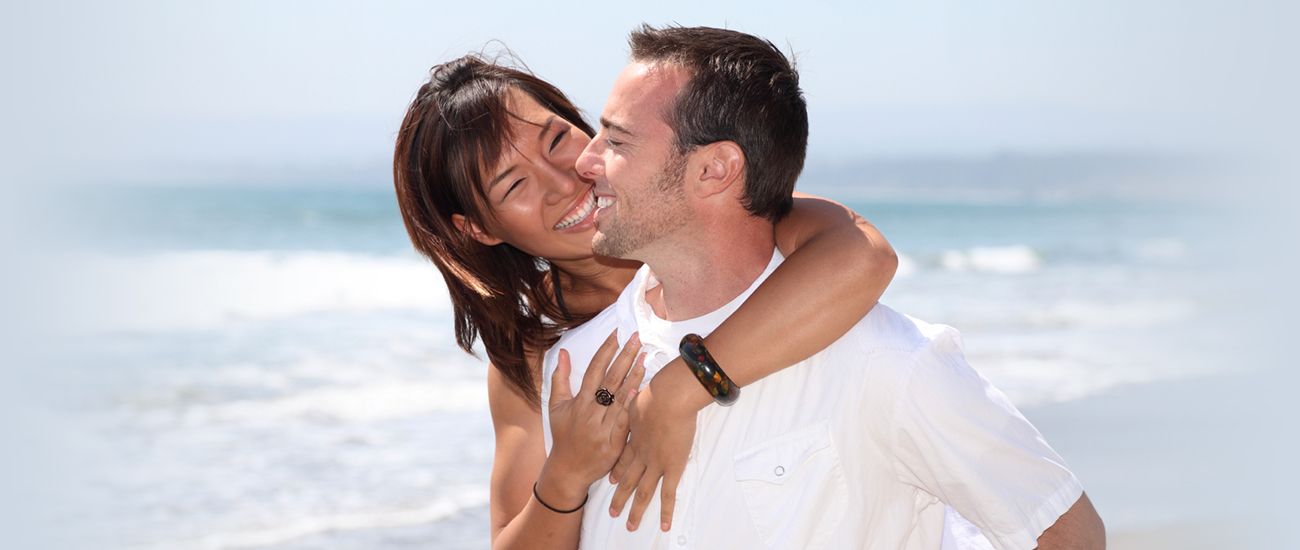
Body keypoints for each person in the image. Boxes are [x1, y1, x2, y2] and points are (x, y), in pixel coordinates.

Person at [541, 25, 1107, 549]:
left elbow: (1067, 532)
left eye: (617, 141)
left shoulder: (884, 362)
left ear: (715, 169)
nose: (586, 161)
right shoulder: (579, 364)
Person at [393, 53, 903, 549]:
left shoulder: (711, 225)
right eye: (515, 183)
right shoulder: (533, 355)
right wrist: (567, 473)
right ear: (478, 229)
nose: (564, 180)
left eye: (556, 140)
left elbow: (864, 257)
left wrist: (678, 389)